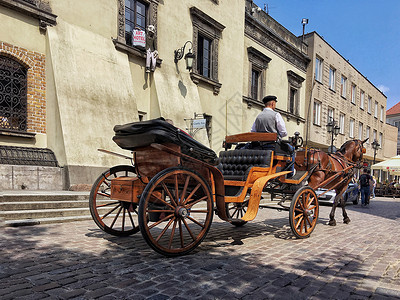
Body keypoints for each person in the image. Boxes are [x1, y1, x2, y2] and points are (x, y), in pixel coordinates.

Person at [251, 95, 295, 177]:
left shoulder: (258, 116)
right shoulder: (276, 115)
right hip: (273, 146)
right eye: (275, 104)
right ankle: (290, 174)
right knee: (292, 150)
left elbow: (253, 131)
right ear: (272, 103)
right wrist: (280, 135)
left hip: (259, 147)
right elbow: (283, 132)